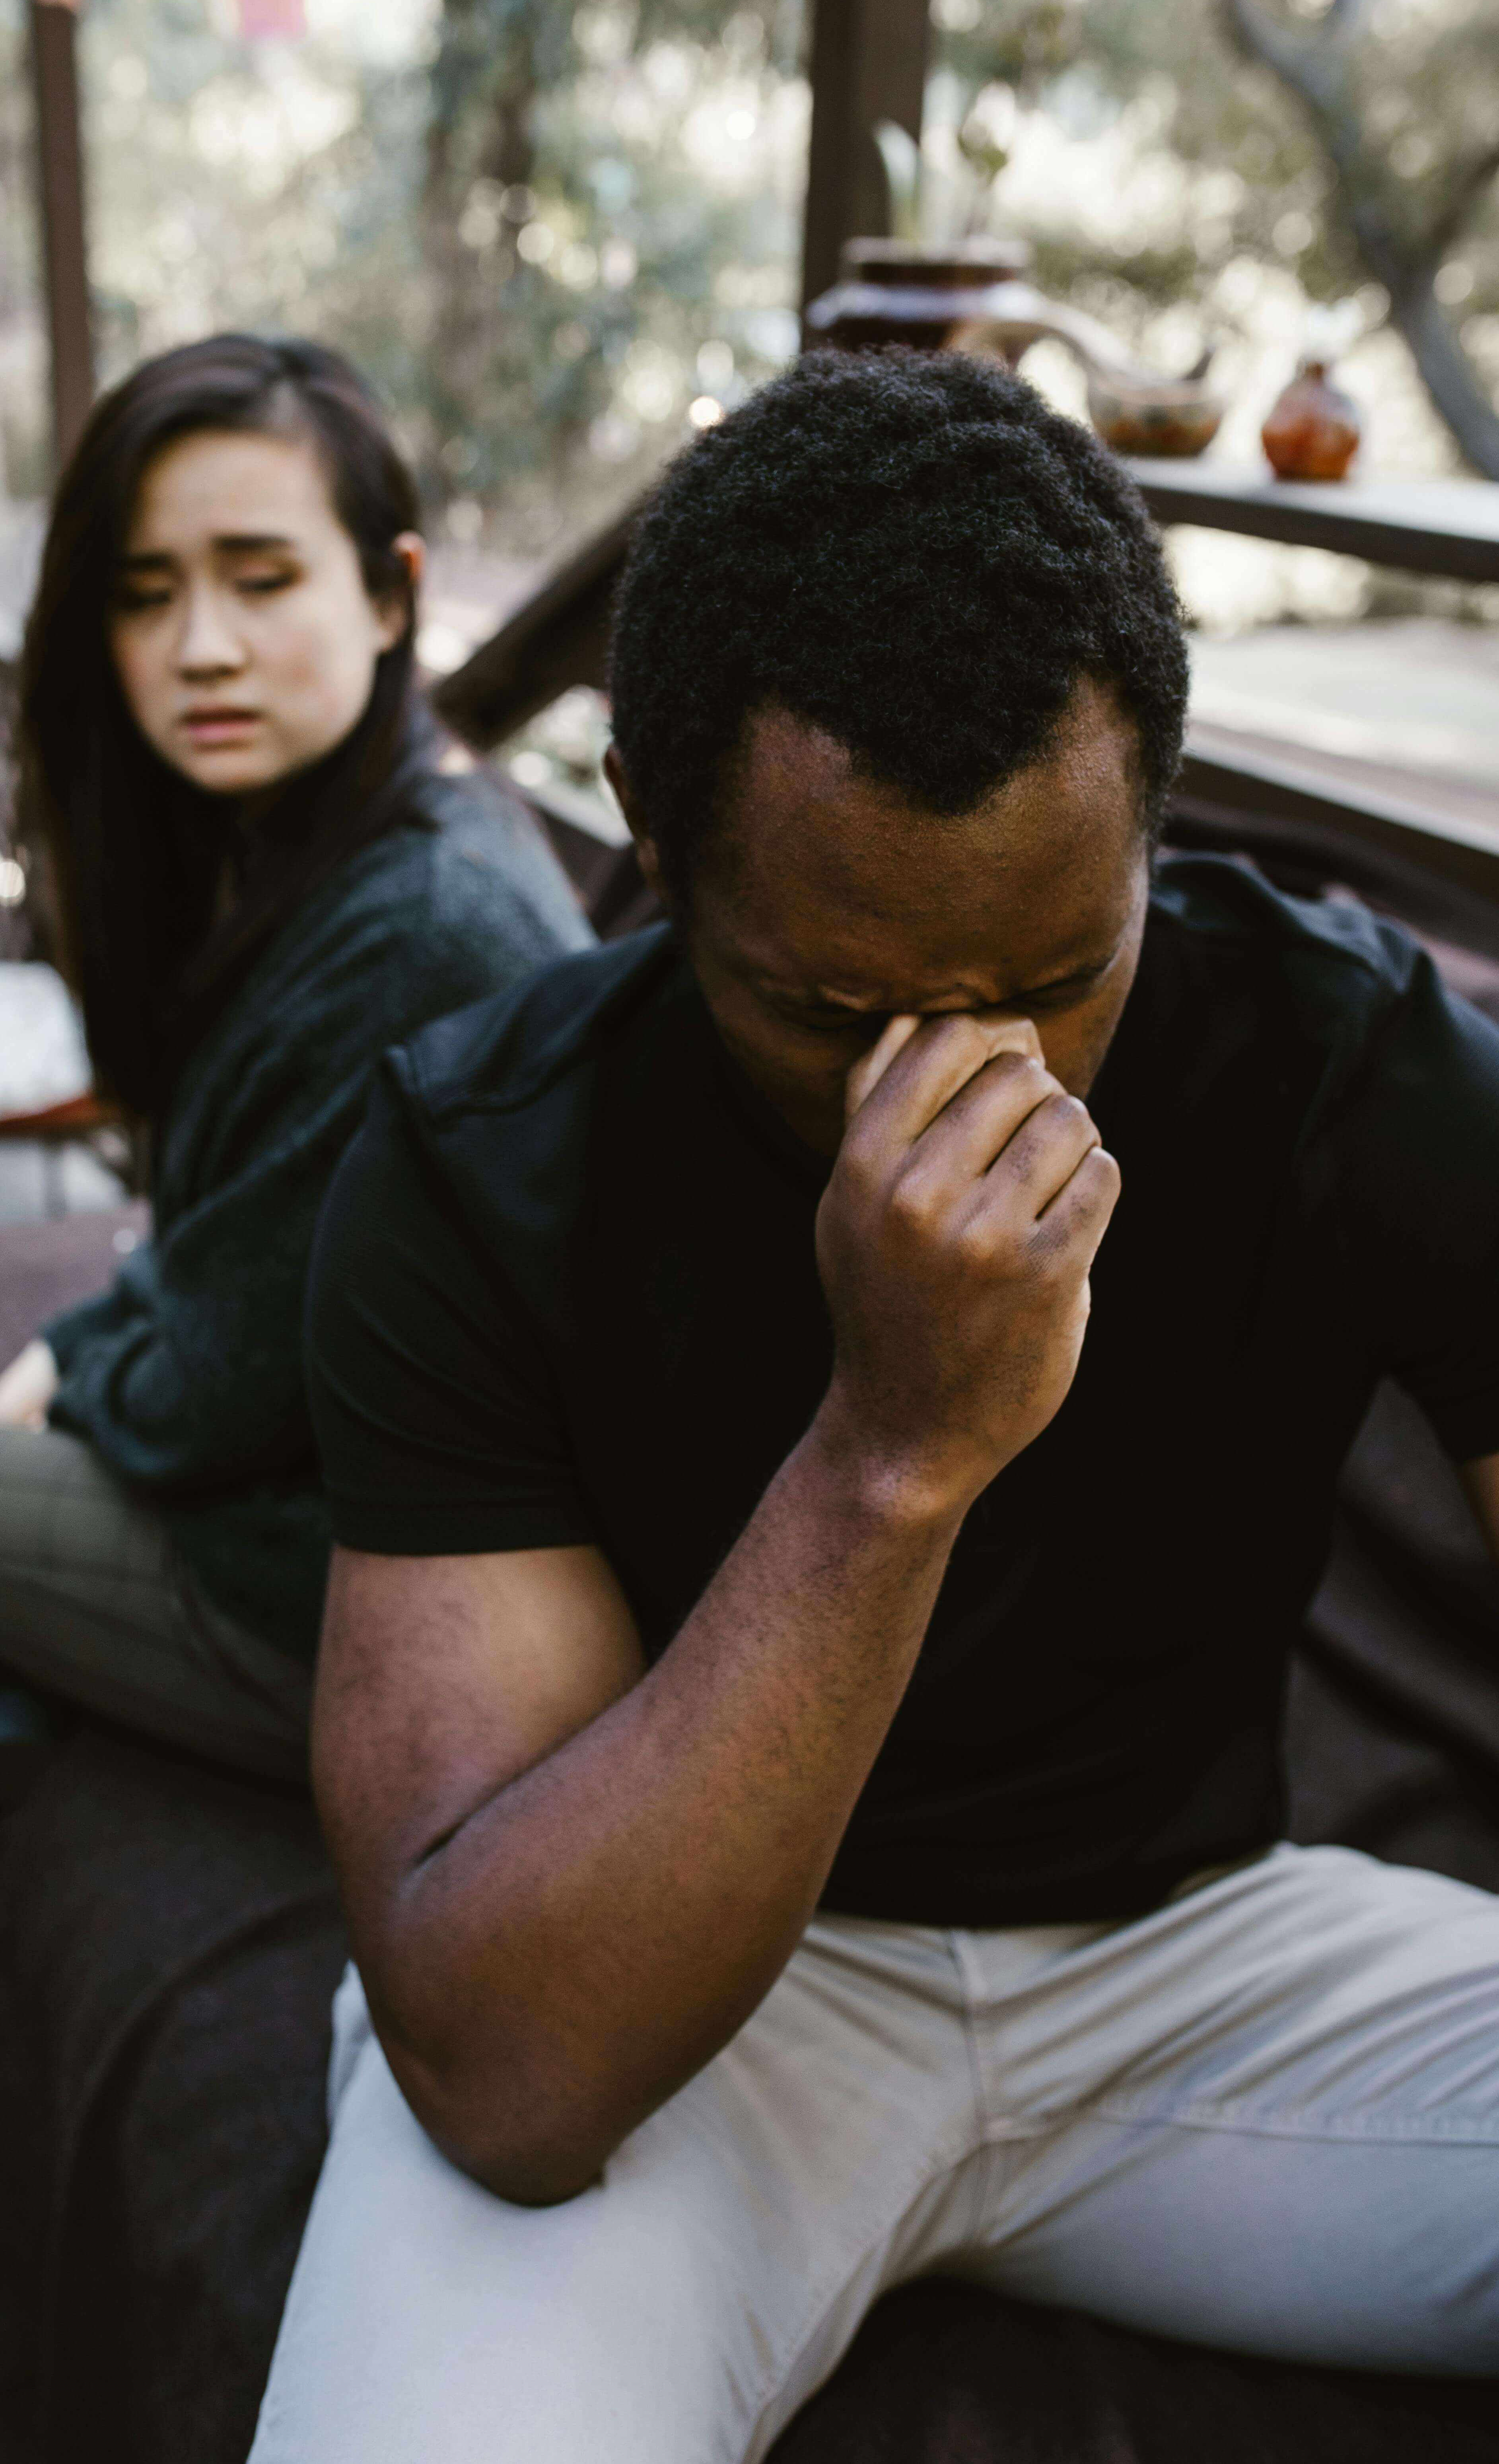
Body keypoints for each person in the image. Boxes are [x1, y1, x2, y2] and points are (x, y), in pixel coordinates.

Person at [252, 350, 1499, 2462]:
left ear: (1151, 834)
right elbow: (508, 2066)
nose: (960, 1089)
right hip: (705, 2019)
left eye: (1048, 978)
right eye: (829, 1012)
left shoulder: (1342, 1061)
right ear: (654, 854)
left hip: (1190, 1965)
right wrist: (890, 1450)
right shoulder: (476, 1164)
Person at [0, 332, 592, 2204]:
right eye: (148, 593)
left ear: (393, 592)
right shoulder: (322, 839)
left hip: (383, 1601)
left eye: (262, 579)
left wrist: (75, 1366)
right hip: (345, 1491)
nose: (203, 648)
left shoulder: (426, 923)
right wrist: (111, 1338)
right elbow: (226, 1263)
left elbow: (210, 1382)